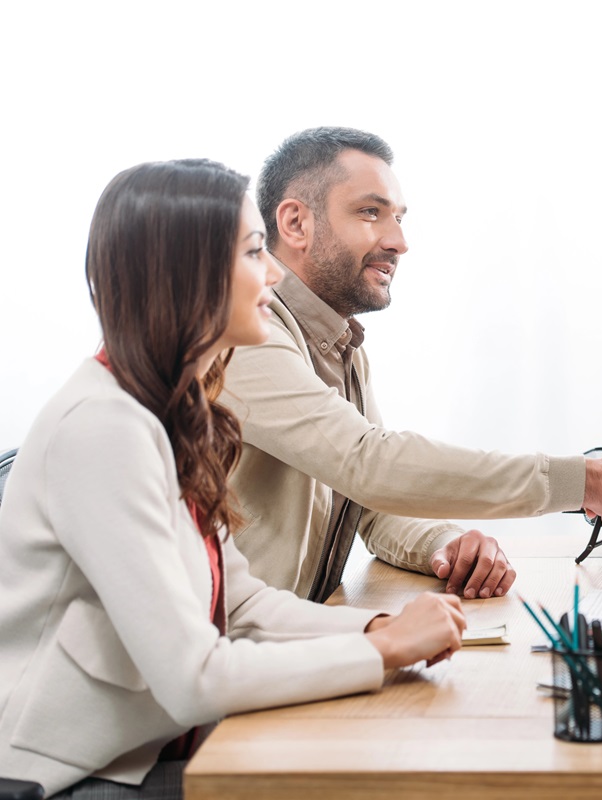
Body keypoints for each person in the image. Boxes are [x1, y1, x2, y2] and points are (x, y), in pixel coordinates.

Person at [0, 159, 467, 799]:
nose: (273, 273)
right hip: (74, 774)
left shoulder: (171, 409)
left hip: (155, 743)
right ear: (185, 275)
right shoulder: (102, 428)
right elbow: (197, 677)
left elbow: (240, 604)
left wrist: (373, 629)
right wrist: (381, 654)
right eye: (254, 253)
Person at [221, 127, 602, 603]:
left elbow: (366, 503)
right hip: (243, 654)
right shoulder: (245, 338)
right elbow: (368, 465)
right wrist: (591, 482)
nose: (398, 241)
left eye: (399, 218)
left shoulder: (341, 344)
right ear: (295, 223)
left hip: (288, 642)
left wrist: (444, 545)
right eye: (371, 212)